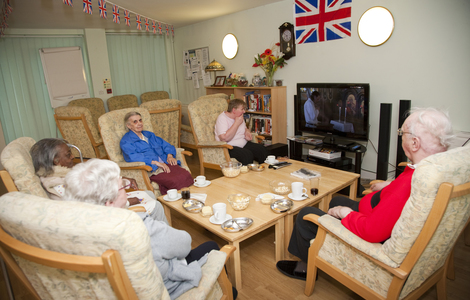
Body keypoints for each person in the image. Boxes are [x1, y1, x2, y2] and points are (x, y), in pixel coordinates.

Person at [276, 107, 453, 280]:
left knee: (306, 214)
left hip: (370, 231)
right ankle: (323, 249)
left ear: (415, 143)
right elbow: (402, 190)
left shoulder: (408, 186)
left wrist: (345, 213)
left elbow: (372, 232)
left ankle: (306, 267)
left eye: (402, 132)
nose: (400, 136)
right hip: (374, 211)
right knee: (336, 199)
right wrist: (389, 185)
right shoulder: (431, 171)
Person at [62, 159, 235, 300]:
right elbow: (183, 244)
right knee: (211, 246)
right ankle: (229, 294)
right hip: (163, 289)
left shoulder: (71, 232)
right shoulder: (137, 225)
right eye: (123, 186)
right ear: (109, 202)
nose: (126, 189)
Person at [30, 138, 167, 223]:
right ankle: (164, 245)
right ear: (56, 161)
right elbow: (91, 210)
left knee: (148, 194)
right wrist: (126, 202)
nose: (73, 157)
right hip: (104, 218)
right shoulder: (58, 185)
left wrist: (123, 182)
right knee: (156, 207)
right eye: (68, 154)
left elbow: (95, 188)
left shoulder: (60, 175)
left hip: (105, 205)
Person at [120, 112, 193, 195]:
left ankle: (184, 199)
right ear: (129, 126)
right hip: (152, 168)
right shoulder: (126, 141)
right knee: (174, 181)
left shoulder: (149, 134)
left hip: (165, 162)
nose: (139, 123)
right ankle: (176, 201)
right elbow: (132, 157)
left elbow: (165, 145)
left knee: (186, 175)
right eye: (135, 122)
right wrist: (155, 162)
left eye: (140, 120)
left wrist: (169, 155)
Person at [214, 98, 268, 165]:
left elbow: (244, 128)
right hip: (229, 147)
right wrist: (236, 123)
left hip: (243, 144)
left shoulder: (239, 116)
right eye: (242, 109)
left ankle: (263, 173)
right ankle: (248, 175)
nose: (244, 111)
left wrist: (247, 132)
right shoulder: (222, 118)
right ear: (234, 110)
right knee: (246, 155)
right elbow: (224, 138)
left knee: (262, 150)